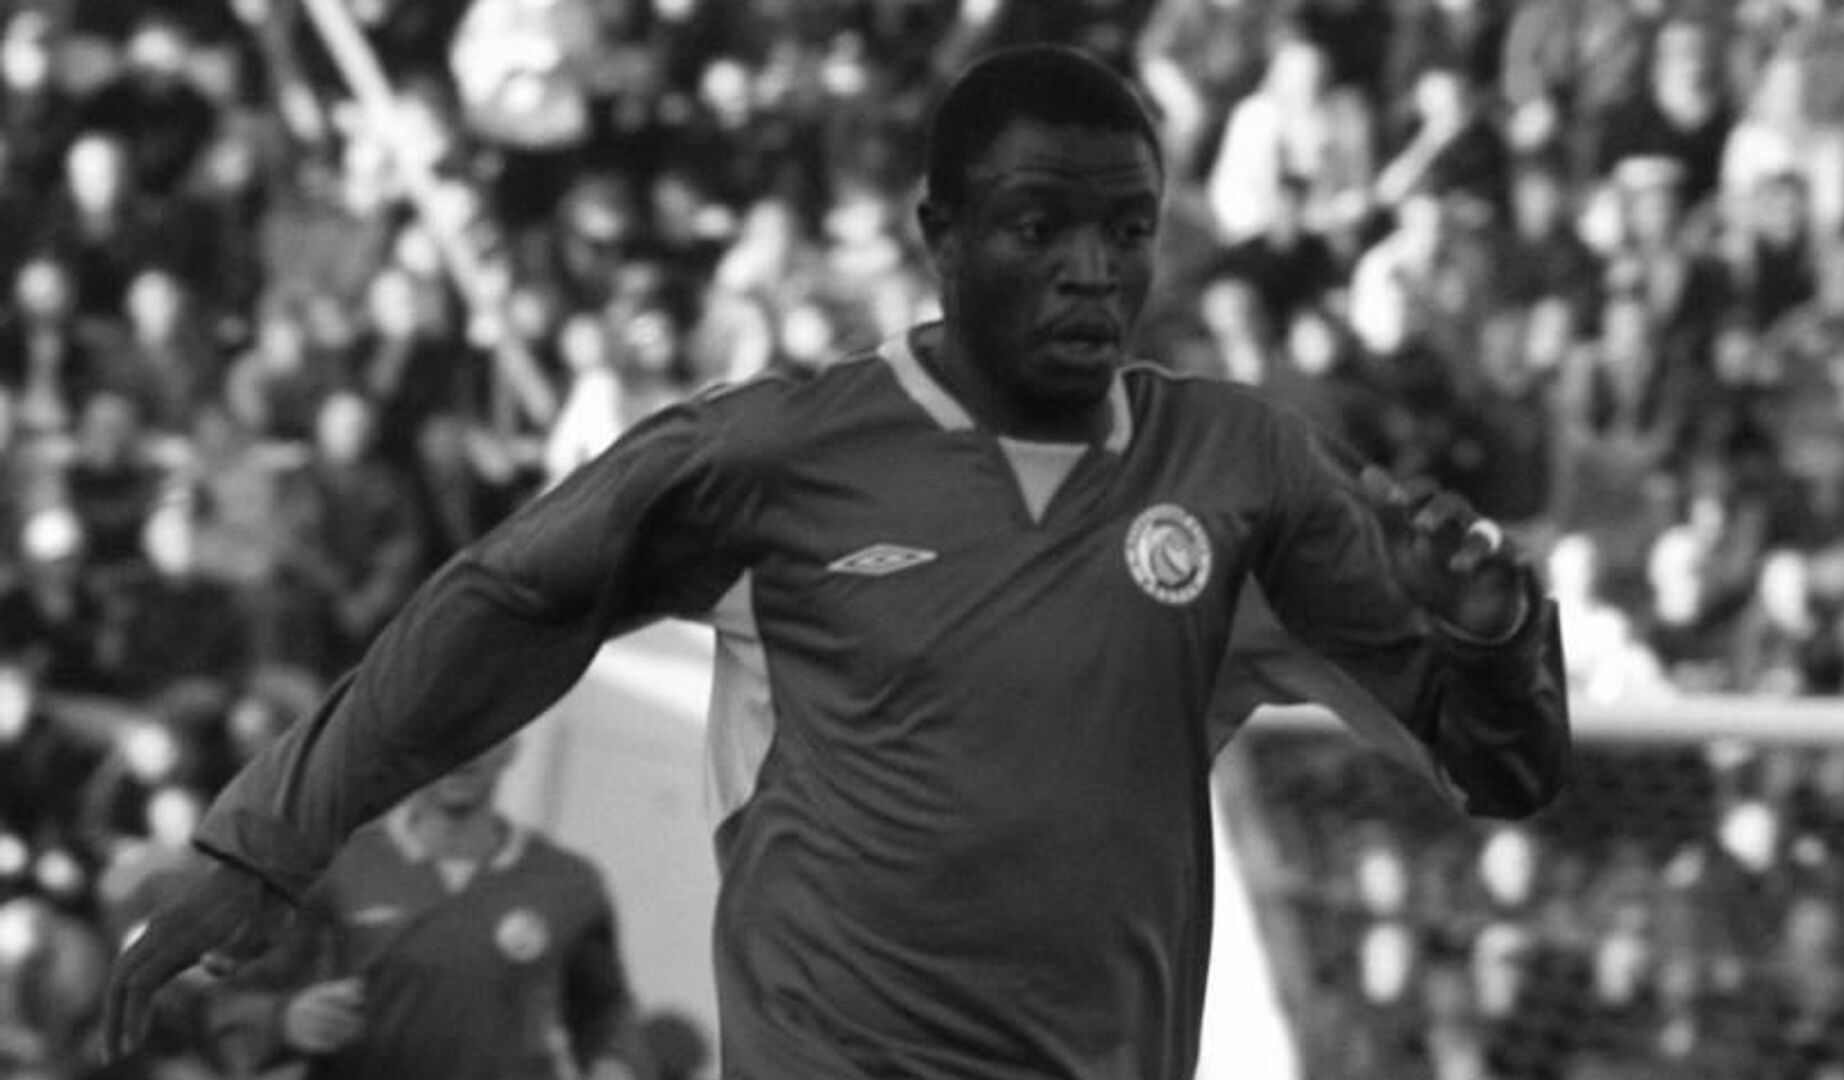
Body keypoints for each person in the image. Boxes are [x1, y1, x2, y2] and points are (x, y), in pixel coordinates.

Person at [106, 45, 1571, 1080]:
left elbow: (1503, 769)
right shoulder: (775, 457)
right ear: (942, 236)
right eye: (1040, 225)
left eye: (1128, 229)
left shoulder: (1243, 470)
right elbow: (508, 599)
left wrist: (1495, 636)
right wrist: (266, 840)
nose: (1093, 269)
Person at [202, 740, 659, 1080]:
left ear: (512, 747)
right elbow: (229, 1001)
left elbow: (605, 1008)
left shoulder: (568, 882)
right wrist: (285, 1020)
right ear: (410, 747)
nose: (463, 750)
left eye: (487, 730)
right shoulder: (336, 865)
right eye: (447, 731)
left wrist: (617, 1064)